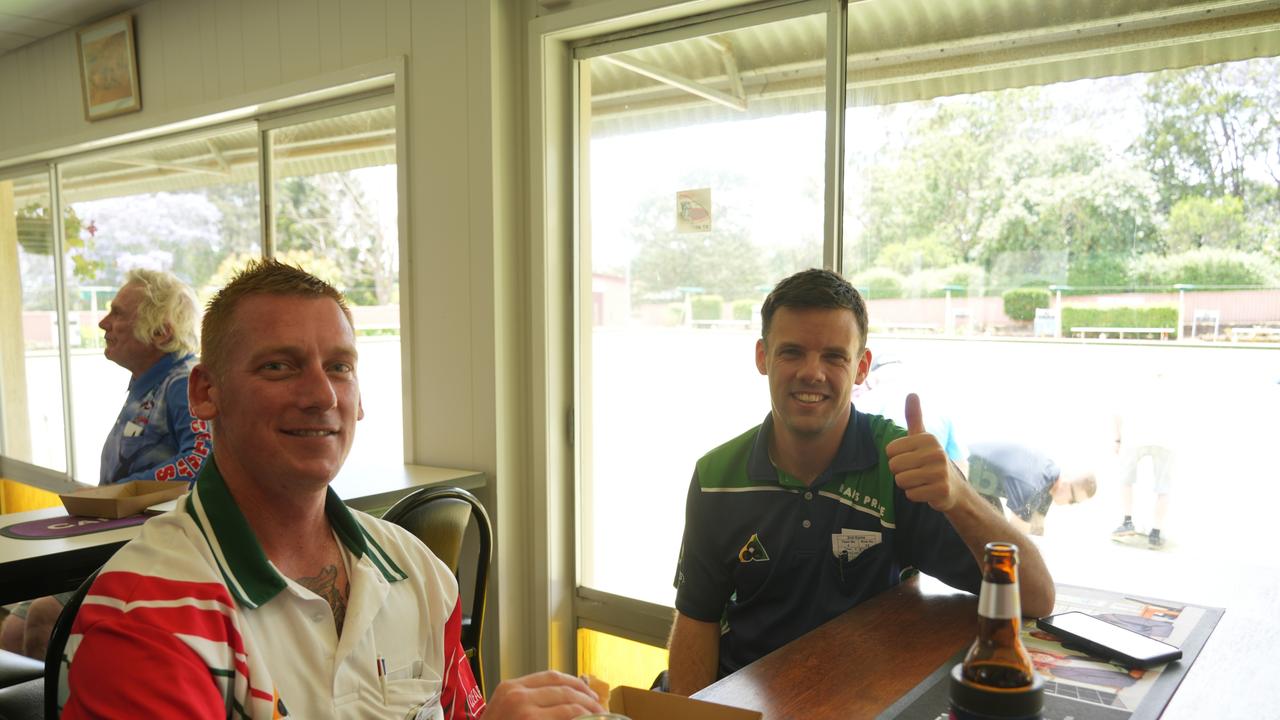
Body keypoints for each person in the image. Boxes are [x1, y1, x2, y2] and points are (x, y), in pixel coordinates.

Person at [59, 260, 605, 719]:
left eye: (339, 367)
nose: (321, 394)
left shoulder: (418, 573)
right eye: (279, 366)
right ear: (205, 392)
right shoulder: (145, 618)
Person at [666, 269, 1055, 695]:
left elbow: (1035, 598)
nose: (812, 373)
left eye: (834, 356)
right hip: (742, 698)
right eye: (792, 352)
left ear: (861, 367)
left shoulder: (899, 465)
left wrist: (959, 493)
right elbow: (696, 619)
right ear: (763, 357)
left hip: (864, 701)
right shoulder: (716, 477)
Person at [1, 268, 208, 661]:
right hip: (111, 544)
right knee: (12, 630)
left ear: (161, 333)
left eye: (117, 313)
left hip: (155, 549)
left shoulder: (182, 382)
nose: (102, 322)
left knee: (44, 619)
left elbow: (200, 461)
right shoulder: (150, 384)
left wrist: (114, 494)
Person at [966, 441, 1097, 536]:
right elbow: (1016, 539)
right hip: (962, 473)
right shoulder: (1033, 487)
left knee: (997, 523)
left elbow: (1036, 528)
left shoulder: (1051, 479)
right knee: (994, 533)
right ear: (1065, 484)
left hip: (981, 485)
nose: (1069, 504)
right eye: (1073, 501)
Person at [1111, 374, 1177, 548]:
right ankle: (1156, 531)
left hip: (1135, 435)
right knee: (1164, 486)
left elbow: (1117, 412)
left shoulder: (1131, 378)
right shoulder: (1171, 379)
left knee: (1126, 479)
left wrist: (1117, 439)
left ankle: (1127, 522)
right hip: (1165, 438)